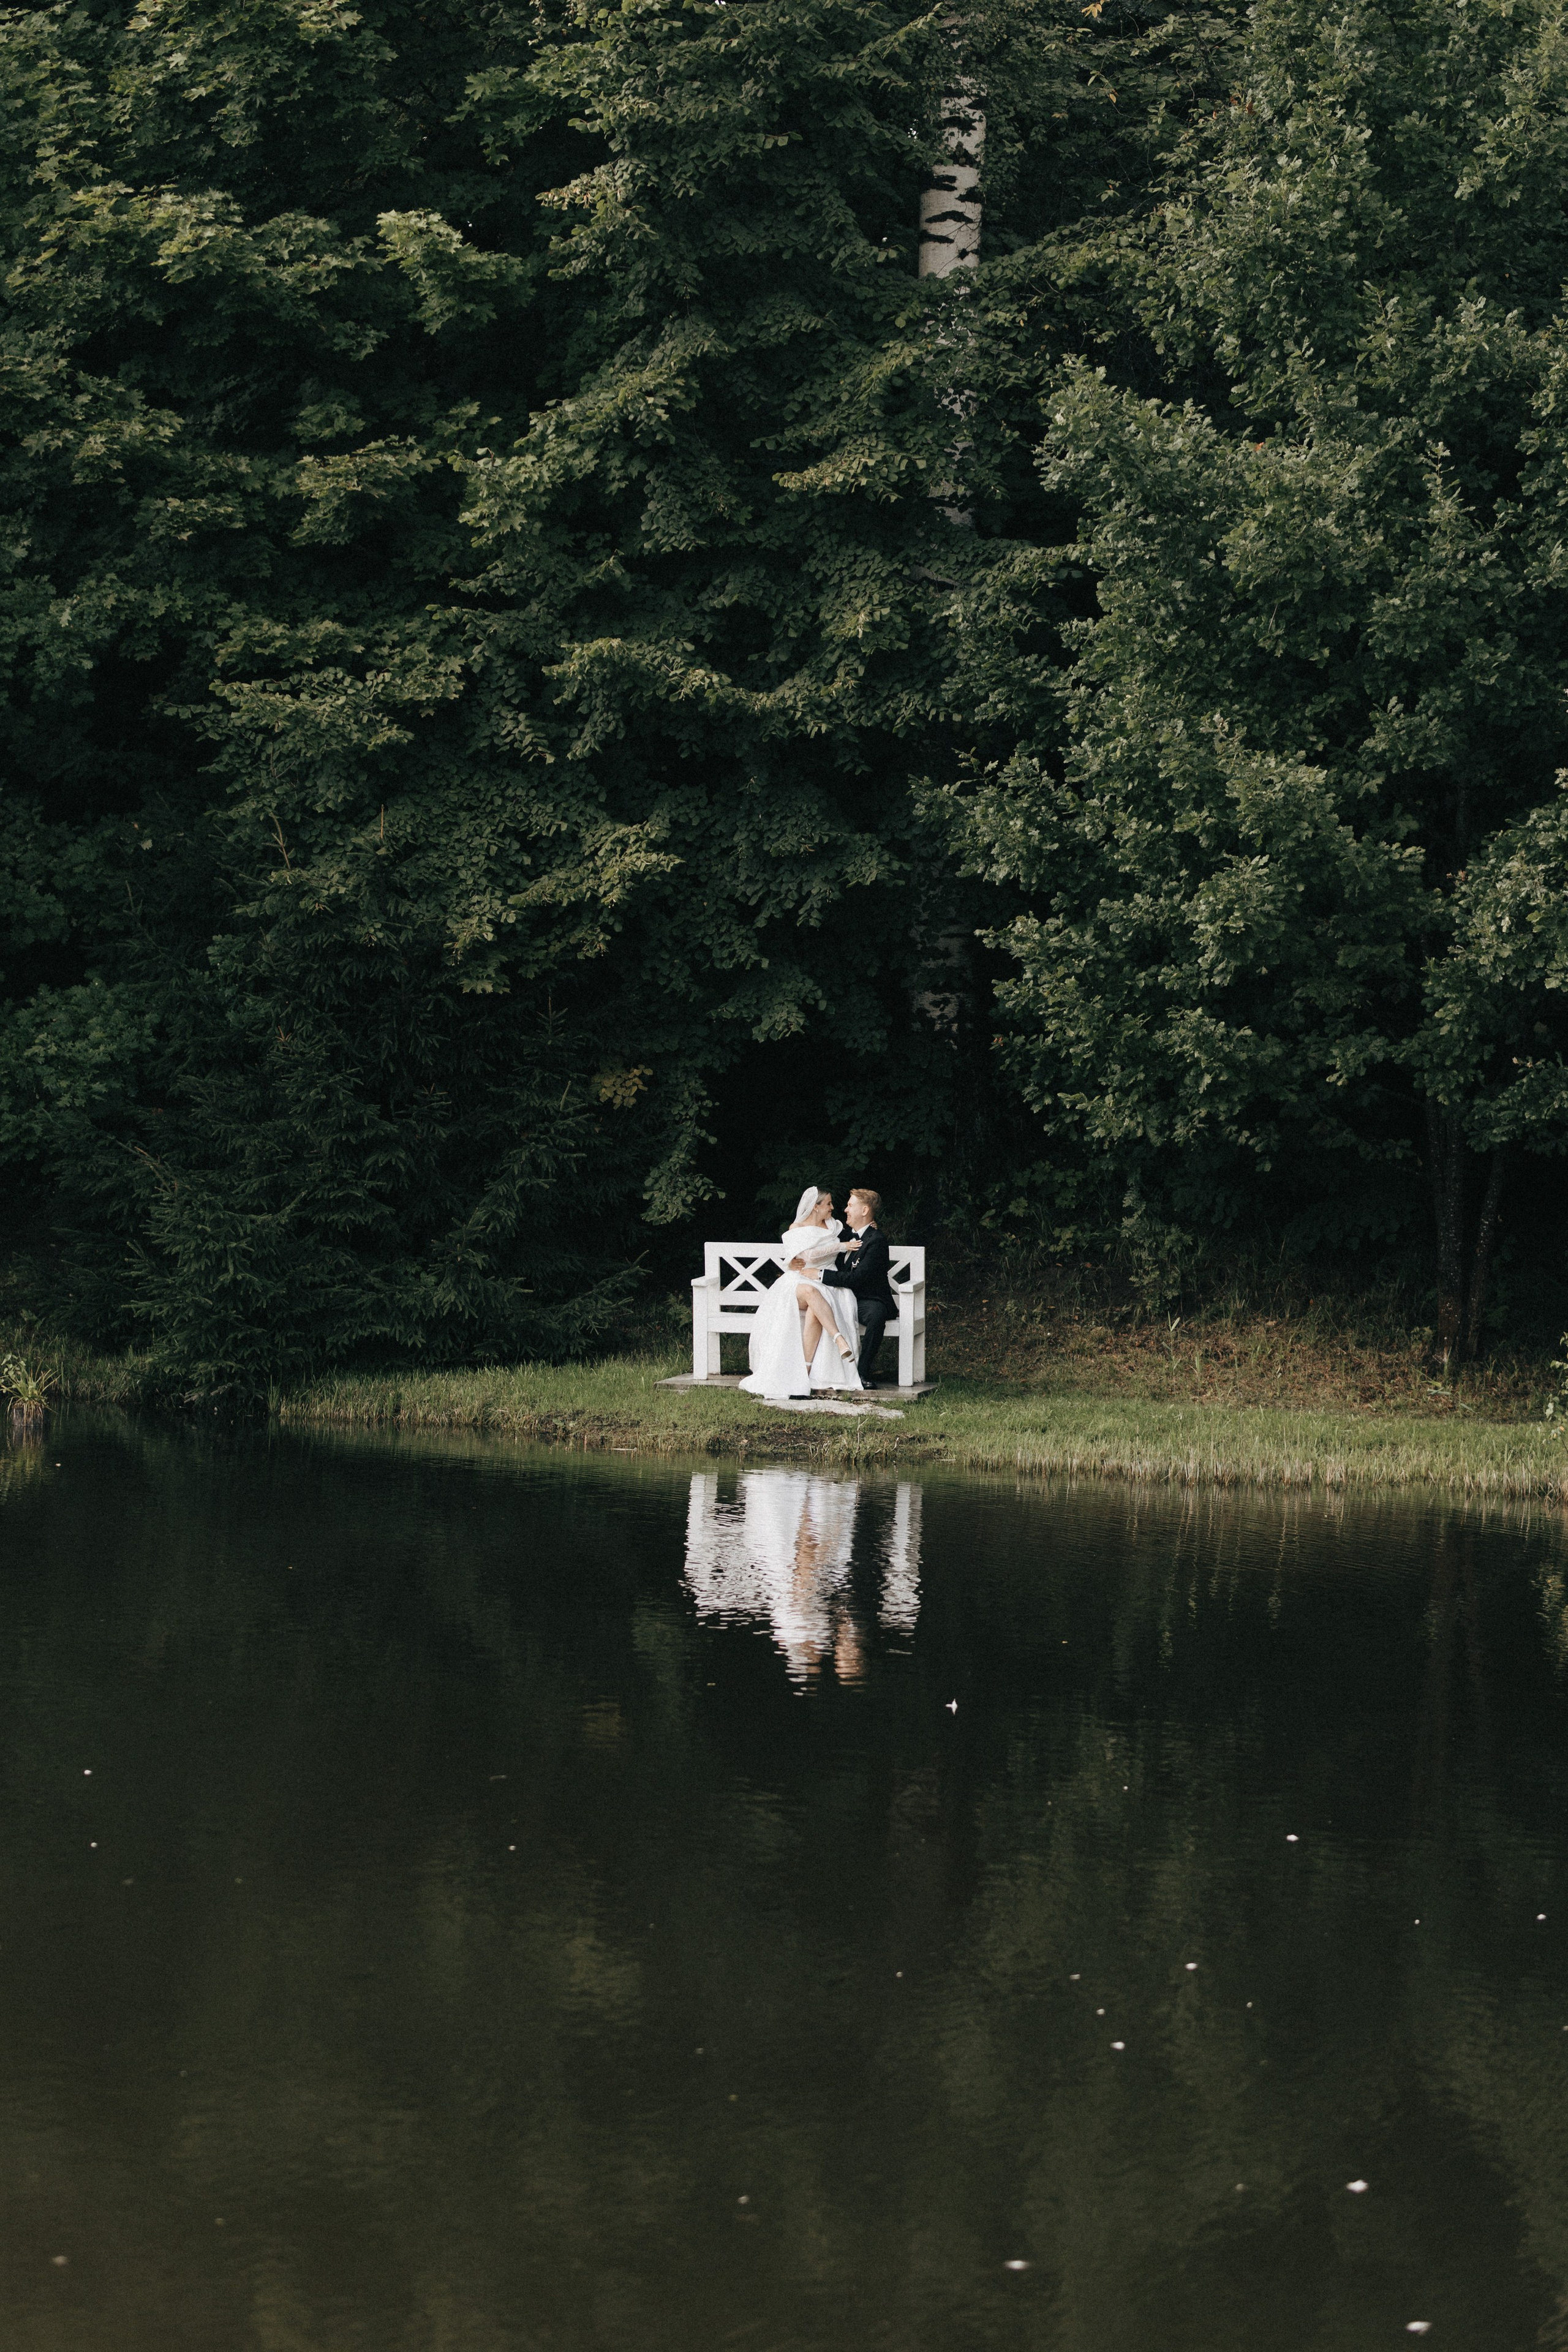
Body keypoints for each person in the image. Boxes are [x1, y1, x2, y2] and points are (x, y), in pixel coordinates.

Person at [738, 1188, 865, 1398]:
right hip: (799, 1280)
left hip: (826, 1281)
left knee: (817, 1305)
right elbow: (808, 1255)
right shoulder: (796, 1228)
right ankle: (839, 1339)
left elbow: (858, 1233)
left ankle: (806, 1372)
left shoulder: (834, 1226)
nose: (833, 1208)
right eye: (828, 1204)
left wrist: (869, 1228)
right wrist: (841, 1247)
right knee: (810, 1290)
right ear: (816, 1207)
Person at [818, 1187, 896, 1386]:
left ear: (864, 1211)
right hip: (838, 1295)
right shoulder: (840, 1234)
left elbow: (858, 1278)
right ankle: (817, 1371)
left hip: (865, 1299)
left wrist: (821, 1275)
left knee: (877, 1315)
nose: (845, 1209)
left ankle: (862, 1373)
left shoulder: (877, 1241)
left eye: (850, 1205)